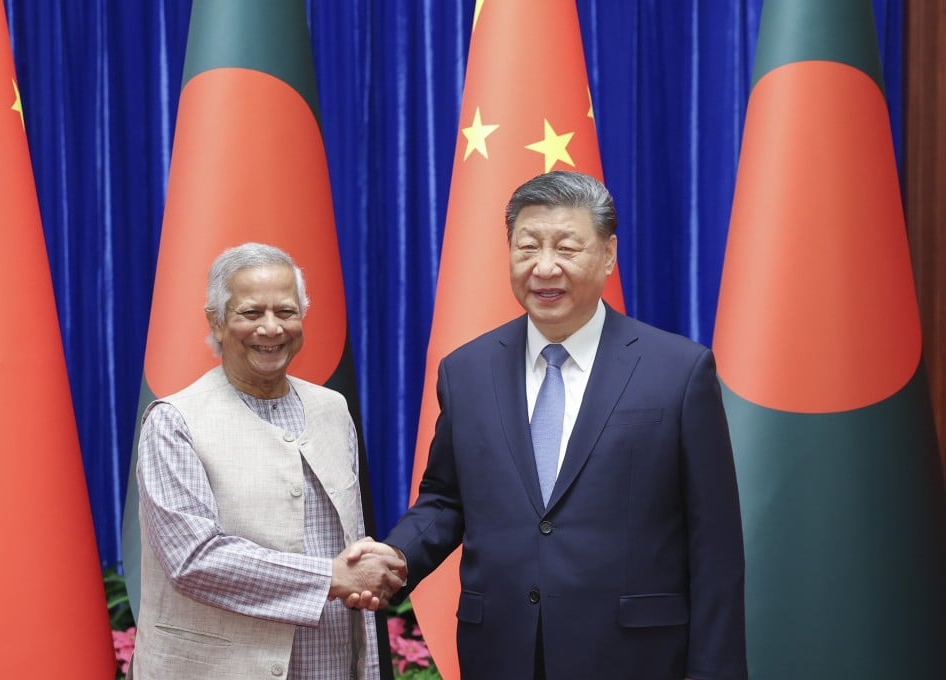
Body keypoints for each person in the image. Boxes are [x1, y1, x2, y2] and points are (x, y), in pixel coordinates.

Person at [355, 171, 747, 679]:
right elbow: (445, 499)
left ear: (608, 255)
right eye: (527, 247)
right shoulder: (467, 371)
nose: (544, 267)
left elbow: (714, 545)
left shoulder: (677, 371)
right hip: (501, 653)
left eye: (566, 247)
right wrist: (395, 556)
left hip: (636, 658)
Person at [130, 242, 405, 680]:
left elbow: (348, 538)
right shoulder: (174, 421)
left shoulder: (332, 408)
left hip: (331, 664)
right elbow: (194, 559)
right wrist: (332, 577)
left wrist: (378, 565)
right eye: (251, 313)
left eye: (287, 312)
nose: (272, 328)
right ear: (216, 322)